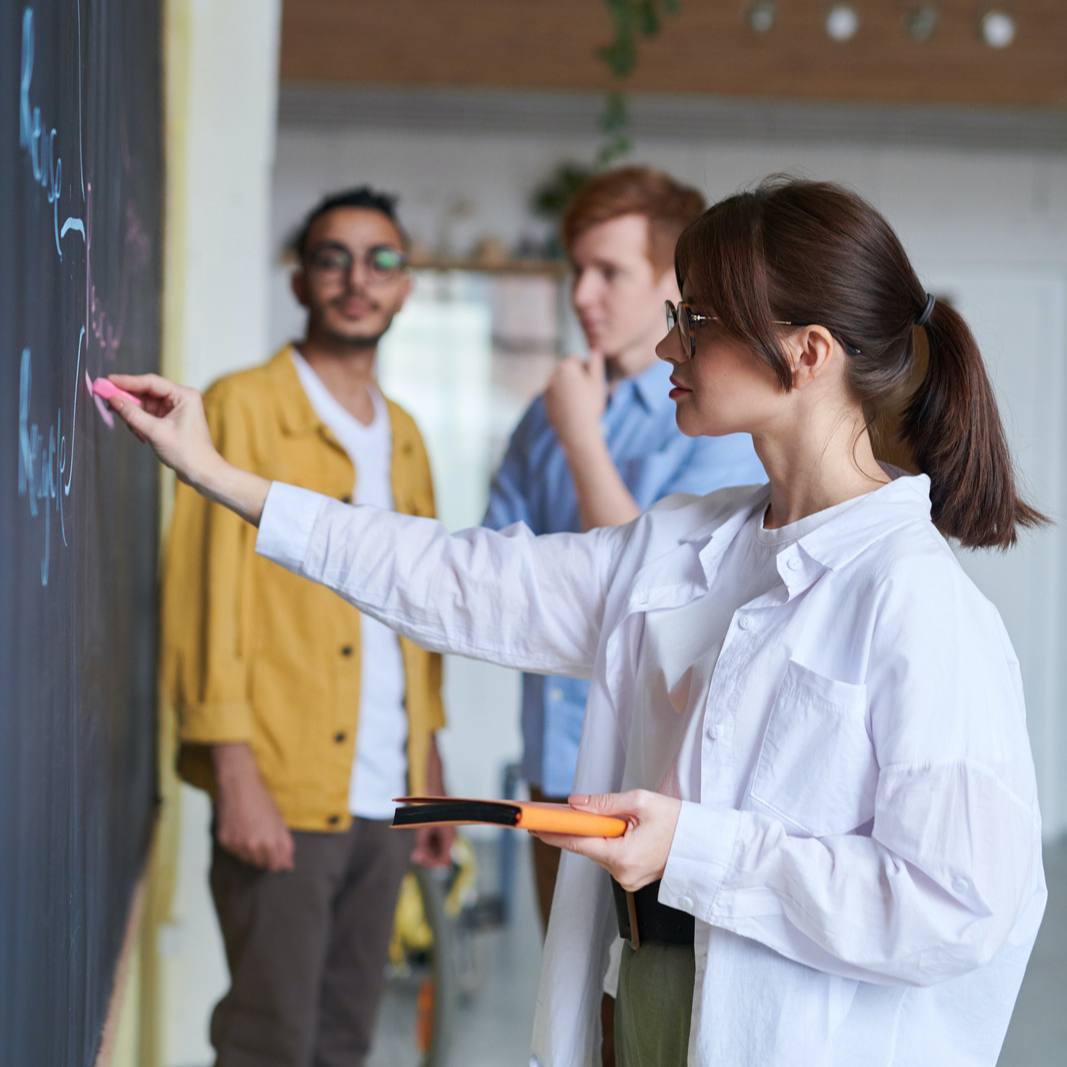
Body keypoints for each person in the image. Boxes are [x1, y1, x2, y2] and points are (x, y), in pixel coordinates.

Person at [109, 177, 1046, 1067]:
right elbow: (458, 578)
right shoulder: (686, 543)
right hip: (642, 992)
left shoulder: (916, 603)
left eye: (696, 320)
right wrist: (224, 476)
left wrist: (693, 845)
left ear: (805, 353)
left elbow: (955, 905)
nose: (668, 346)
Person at [160, 186, 452, 1067]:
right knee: (268, 1041)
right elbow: (203, 595)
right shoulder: (241, 406)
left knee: (344, 1038)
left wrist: (429, 766)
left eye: (381, 261)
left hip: (385, 795)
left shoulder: (403, 435)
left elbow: (420, 607)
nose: (357, 279)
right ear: (300, 280)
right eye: (333, 258)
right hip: (285, 784)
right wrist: (233, 768)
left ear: (405, 287)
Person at [484, 167, 765, 939]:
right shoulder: (545, 417)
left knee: (641, 1026)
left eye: (608, 271)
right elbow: (501, 572)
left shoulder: (726, 423)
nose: (582, 294)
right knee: (568, 1018)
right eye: (575, 269)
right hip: (554, 767)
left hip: (660, 789)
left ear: (671, 284)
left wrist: (581, 436)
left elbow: (659, 592)